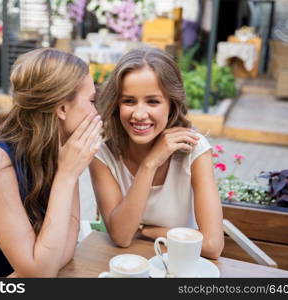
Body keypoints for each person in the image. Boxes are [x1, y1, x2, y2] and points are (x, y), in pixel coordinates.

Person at [0, 48, 102, 277]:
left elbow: (62, 253)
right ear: (63, 108)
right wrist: (67, 175)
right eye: (92, 100)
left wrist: (68, 171)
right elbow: (41, 272)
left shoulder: (58, 150)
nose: (96, 113)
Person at [89, 47, 224, 259]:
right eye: (129, 101)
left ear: (171, 103)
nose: (140, 114)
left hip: (178, 265)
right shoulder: (103, 154)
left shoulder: (194, 150)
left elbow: (212, 245)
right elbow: (122, 237)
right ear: (116, 104)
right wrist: (150, 163)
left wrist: (146, 231)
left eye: (153, 101)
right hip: (127, 266)